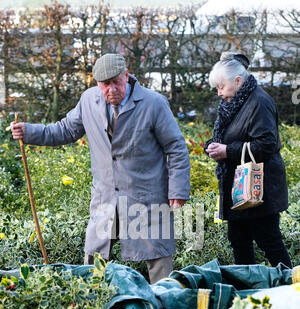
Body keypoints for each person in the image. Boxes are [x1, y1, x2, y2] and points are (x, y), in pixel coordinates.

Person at [11, 53, 190, 283]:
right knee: (93, 262)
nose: (112, 89)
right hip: (105, 197)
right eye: (105, 84)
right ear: (96, 83)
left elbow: (176, 148)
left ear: (127, 75)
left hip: (147, 198)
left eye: (117, 81)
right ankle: (93, 307)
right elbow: (65, 130)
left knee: (159, 262)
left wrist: (178, 190)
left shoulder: (154, 104)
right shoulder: (88, 101)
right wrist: (29, 132)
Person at [205, 52, 292, 268]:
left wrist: (227, 151)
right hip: (239, 187)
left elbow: (267, 145)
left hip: (259, 188)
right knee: (239, 242)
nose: (219, 93)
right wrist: (213, 145)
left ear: (237, 80)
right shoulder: (235, 102)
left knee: (269, 242)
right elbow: (232, 135)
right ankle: (248, 292)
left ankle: (293, 289)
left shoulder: (259, 102)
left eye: (221, 87)